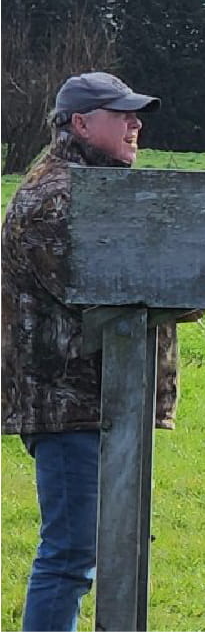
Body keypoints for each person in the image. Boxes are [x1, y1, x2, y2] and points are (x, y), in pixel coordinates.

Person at [2, 73, 174, 632]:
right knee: (70, 557)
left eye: (135, 114)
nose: (135, 124)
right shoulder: (57, 199)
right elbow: (115, 292)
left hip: (97, 403)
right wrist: (187, 285)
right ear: (80, 123)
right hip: (68, 405)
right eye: (121, 114)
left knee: (93, 552)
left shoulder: (91, 189)